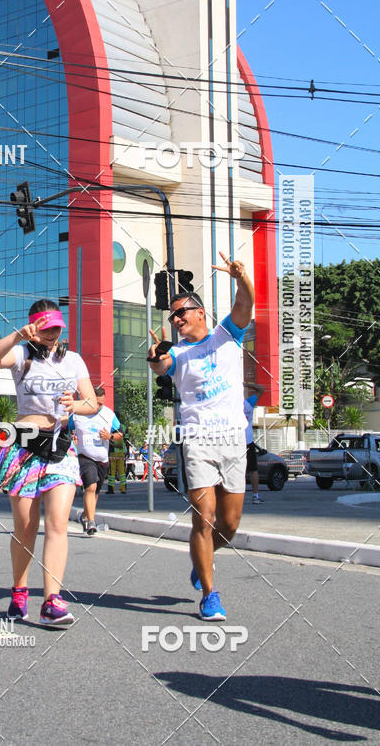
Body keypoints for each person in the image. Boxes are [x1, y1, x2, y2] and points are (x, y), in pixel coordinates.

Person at [148, 252, 254, 622]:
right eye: (172, 316)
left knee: (230, 525)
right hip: (197, 439)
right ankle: (210, 594)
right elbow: (161, 365)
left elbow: (245, 303)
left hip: (233, 440)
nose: (176, 319)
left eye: (181, 312)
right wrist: (155, 356)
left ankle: (202, 560)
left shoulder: (228, 334)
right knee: (203, 519)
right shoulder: (177, 353)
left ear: (200, 313)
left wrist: (241, 277)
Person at [0, 299, 97, 627]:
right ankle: (19, 592)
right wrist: (18, 335)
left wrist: (76, 405)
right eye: (46, 328)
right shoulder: (22, 356)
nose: (52, 334)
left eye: (57, 328)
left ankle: (52, 600)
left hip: (61, 447)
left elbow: (92, 402)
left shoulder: (73, 361)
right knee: (26, 527)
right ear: (35, 327)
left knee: (58, 523)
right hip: (24, 447)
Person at [70, 386, 122, 535]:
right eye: (96, 403)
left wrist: (109, 437)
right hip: (84, 456)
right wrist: (71, 439)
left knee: (95, 492)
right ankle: (91, 522)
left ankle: (84, 516)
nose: (99, 407)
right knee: (90, 487)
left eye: (101, 403)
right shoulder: (77, 414)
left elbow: (120, 434)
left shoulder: (108, 414)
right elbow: (67, 430)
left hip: (102, 459)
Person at [244, 382, 265, 503]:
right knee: (253, 469)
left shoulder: (230, 406)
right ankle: (255, 495)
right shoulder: (247, 404)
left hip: (234, 441)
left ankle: (233, 497)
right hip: (248, 441)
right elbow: (261, 388)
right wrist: (246, 385)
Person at [107, 417, 126, 494]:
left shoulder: (112, 429)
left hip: (113, 453)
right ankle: (123, 488)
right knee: (122, 472)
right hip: (121, 454)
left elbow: (111, 441)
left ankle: (111, 489)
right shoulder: (123, 428)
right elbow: (125, 441)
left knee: (112, 472)